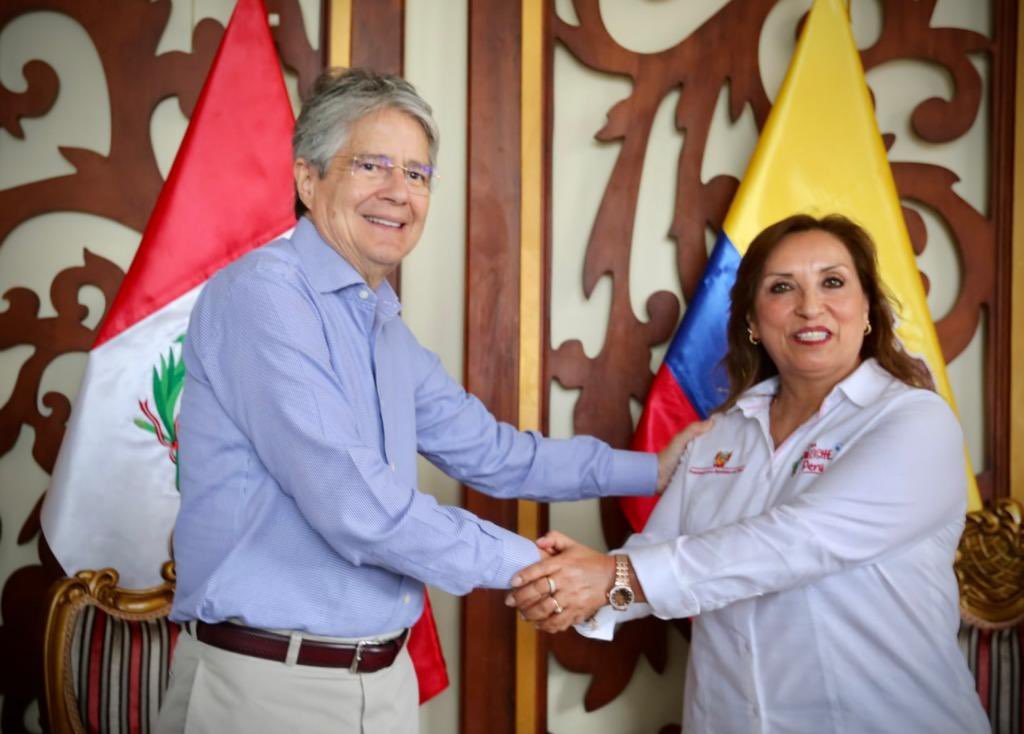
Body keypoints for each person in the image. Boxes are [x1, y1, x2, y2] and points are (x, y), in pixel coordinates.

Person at [156, 68, 704, 734]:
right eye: (373, 165)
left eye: (417, 174)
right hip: (270, 690)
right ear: (308, 179)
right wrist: (541, 570)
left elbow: (496, 455)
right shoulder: (262, 298)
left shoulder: (381, 325)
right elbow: (355, 507)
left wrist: (653, 470)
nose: (399, 193)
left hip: (385, 682)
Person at [508, 213, 989, 733]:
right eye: (782, 288)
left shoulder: (917, 421)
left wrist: (613, 578)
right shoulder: (722, 432)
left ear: (867, 309)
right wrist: (565, 587)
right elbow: (652, 556)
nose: (810, 305)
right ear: (753, 323)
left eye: (833, 282)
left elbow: (795, 543)